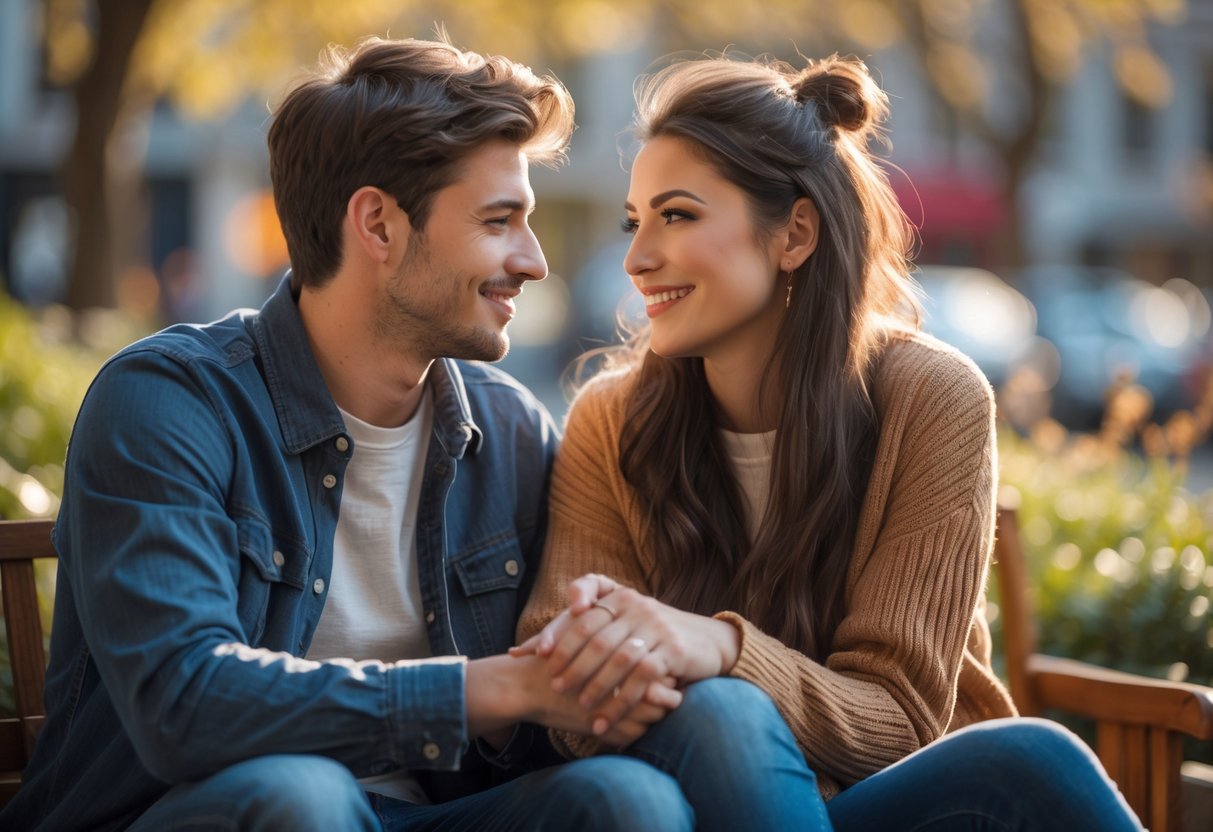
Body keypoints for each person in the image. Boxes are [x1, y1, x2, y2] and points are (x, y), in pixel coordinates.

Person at [0, 36, 699, 832]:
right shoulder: (169, 402)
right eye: (499, 221)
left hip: (417, 813)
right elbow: (184, 704)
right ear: (377, 225)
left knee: (623, 802)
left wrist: (600, 658)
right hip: (197, 813)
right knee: (308, 800)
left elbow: (546, 727)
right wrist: (495, 687)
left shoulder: (507, 429)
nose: (532, 261)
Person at [516, 53, 1145, 830]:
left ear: (795, 234)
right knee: (722, 718)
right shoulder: (610, 420)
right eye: (633, 221)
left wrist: (714, 647)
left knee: (1030, 757)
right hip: (693, 797)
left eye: (675, 215)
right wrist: (639, 671)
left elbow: (903, 719)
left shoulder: (929, 397)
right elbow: (561, 690)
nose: (637, 258)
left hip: (896, 803)